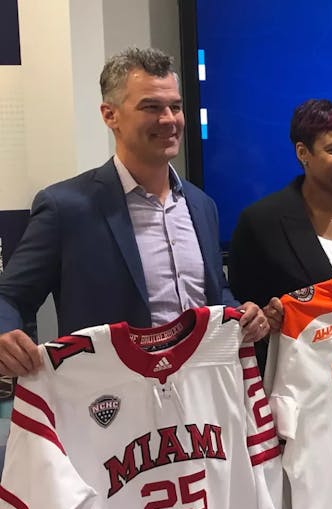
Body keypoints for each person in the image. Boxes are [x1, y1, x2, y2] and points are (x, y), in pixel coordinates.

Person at [0, 47, 269, 378]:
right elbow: (10, 297)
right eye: (151, 107)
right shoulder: (65, 206)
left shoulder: (201, 205)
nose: (169, 120)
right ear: (110, 115)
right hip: (112, 404)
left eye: (175, 106)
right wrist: (4, 334)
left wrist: (240, 312)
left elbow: (212, 291)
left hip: (202, 397)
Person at [228, 99, 332, 345]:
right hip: (305, 372)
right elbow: (245, 311)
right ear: (303, 153)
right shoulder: (261, 222)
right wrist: (265, 317)